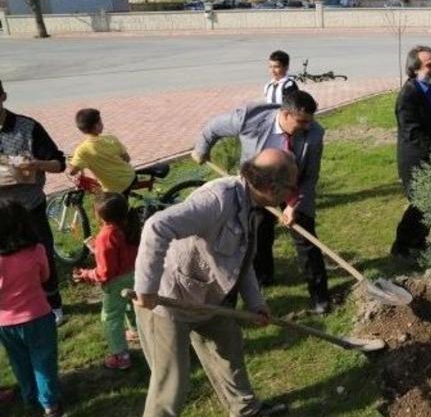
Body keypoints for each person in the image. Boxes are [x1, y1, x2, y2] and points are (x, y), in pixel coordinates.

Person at [133, 148, 295, 417]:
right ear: (271, 186)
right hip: (167, 298)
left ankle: (246, 410)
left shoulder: (253, 205)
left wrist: (256, 303)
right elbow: (156, 226)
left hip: (208, 298)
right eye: (290, 187)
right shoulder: (218, 200)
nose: (291, 194)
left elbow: (241, 259)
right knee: (170, 383)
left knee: (229, 352)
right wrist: (147, 288)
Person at [192, 91, 329, 313]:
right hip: (258, 188)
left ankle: (319, 296)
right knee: (257, 233)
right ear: (285, 114)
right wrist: (201, 150)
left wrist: (294, 205)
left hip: (292, 188)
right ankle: (263, 278)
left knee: (306, 239)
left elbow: (309, 176)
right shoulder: (251, 118)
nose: (307, 126)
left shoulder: (313, 134)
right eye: (301, 121)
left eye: (309, 121)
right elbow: (213, 127)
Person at [0, 79, 65, 325]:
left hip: (28, 207)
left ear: (3, 96)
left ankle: (53, 303)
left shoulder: (27, 128)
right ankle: (10, 309)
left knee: (42, 254)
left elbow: (59, 164)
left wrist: (36, 164)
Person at [0, 199, 63, 417]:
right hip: (38, 315)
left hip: (5, 323)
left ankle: (29, 397)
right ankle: (49, 403)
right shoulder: (36, 250)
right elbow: (45, 276)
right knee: (43, 360)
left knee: (19, 361)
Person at [390, 46, 431, 261]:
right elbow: (412, 131)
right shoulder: (408, 95)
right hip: (415, 158)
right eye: (429, 65)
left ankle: (419, 241)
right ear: (414, 70)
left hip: (430, 155)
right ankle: (400, 246)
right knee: (420, 202)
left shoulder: (428, 88)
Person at [72, 193, 140, 370]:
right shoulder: (131, 225)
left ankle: (121, 356)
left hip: (116, 283)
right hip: (136, 275)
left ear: (99, 215)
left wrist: (86, 274)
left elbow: (105, 272)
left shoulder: (105, 236)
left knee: (111, 317)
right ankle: (136, 331)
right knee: (131, 305)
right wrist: (99, 250)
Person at [68, 108, 136, 194]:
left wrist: (71, 162)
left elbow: (72, 172)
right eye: (101, 122)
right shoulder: (111, 139)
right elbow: (127, 159)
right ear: (97, 125)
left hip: (113, 188)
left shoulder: (82, 150)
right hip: (129, 176)